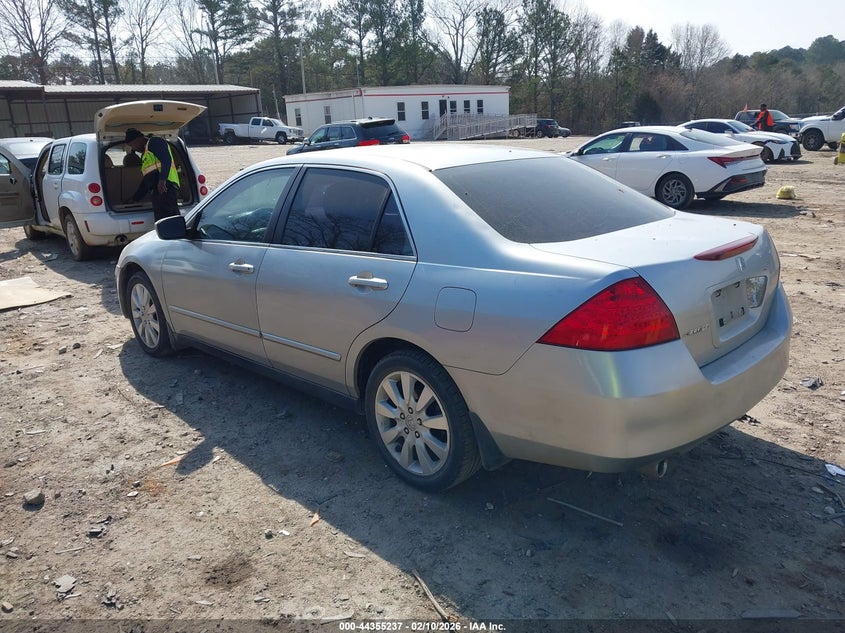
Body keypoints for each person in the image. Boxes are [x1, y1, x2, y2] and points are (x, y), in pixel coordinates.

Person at [124, 127, 180, 221]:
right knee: (169, 220)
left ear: (138, 139)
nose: (134, 149)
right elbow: (147, 182)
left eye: (132, 145)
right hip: (159, 191)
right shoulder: (146, 155)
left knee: (164, 222)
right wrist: (135, 198)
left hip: (166, 188)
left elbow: (166, 159)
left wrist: (162, 181)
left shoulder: (154, 142)